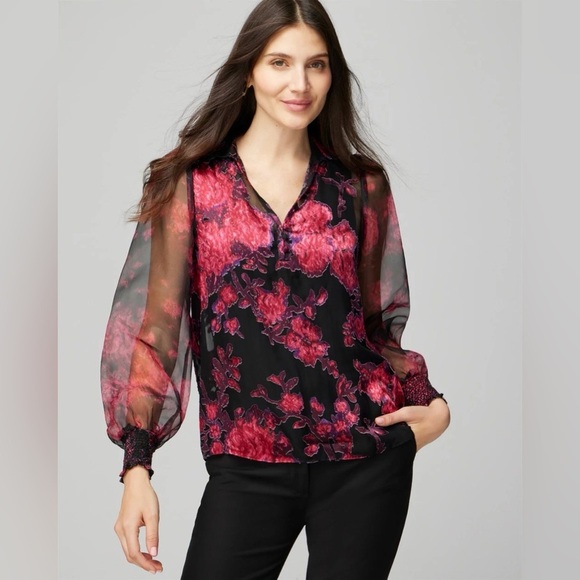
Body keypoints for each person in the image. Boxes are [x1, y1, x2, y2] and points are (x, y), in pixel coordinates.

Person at [100, 0, 451, 577]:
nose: (300, 83)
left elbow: (374, 325)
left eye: (316, 65)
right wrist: (137, 465)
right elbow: (155, 330)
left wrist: (429, 405)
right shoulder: (190, 184)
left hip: (364, 460)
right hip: (245, 464)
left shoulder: (360, 185)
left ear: (332, 75)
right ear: (249, 72)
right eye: (280, 62)